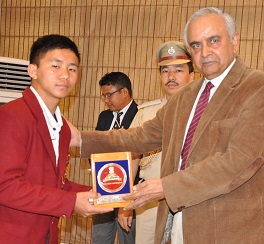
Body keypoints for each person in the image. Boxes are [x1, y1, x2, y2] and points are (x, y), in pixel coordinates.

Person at [71, 7, 264, 244]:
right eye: (196, 45)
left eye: (214, 40)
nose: (205, 52)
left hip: (229, 228)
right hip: (177, 224)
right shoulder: (186, 96)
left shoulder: (259, 88)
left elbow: (236, 162)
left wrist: (166, 187)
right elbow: (139, 137)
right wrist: (80, 139)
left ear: (235, 41)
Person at [0, 34, 113, 244]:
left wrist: (96, 193)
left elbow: (53, 184)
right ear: (32, 70)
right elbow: (5, 186)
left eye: (72, 69)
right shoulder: (12, 115)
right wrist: (71, 202)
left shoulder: (61, 127)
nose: (65, 75)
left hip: (46, 236)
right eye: (56, 66)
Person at [118, 41, 194, 244]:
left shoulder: (204, 114)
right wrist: (125, 204)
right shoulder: (146, 113)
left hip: (190, 200)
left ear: (192, 75)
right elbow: (131, 159)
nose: (171, 77)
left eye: (178, 70)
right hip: (150, 201)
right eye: (165, 71)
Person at [92, 71, 138, 244]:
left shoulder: (141, 115)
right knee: (100, 238)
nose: (106, 100)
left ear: (124, 91)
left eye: (109, 95)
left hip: (130, 193)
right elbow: (95, 147)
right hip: (103, 190)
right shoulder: (104, 117)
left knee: (129, 239)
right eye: (103, 96)